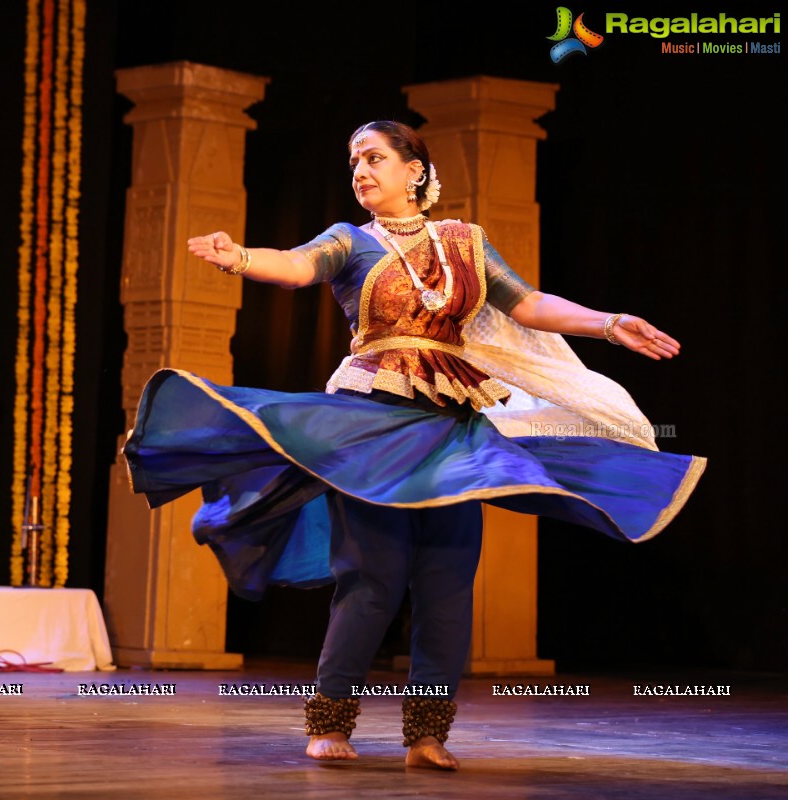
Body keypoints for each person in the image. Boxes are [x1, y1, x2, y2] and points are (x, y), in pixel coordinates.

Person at [124, 120, 705, 768]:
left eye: (374, 158)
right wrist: (238, 256)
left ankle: (427, 736)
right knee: (371, 579)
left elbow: (529, 304)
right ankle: (330, 722)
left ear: (415, 171)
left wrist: (609, 323)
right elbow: (293, 268)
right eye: (353, 163)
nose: (360, 172)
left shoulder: (465, 243)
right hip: (371, 425)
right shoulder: (349, 240)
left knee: (448, 582)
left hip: (451, 425)